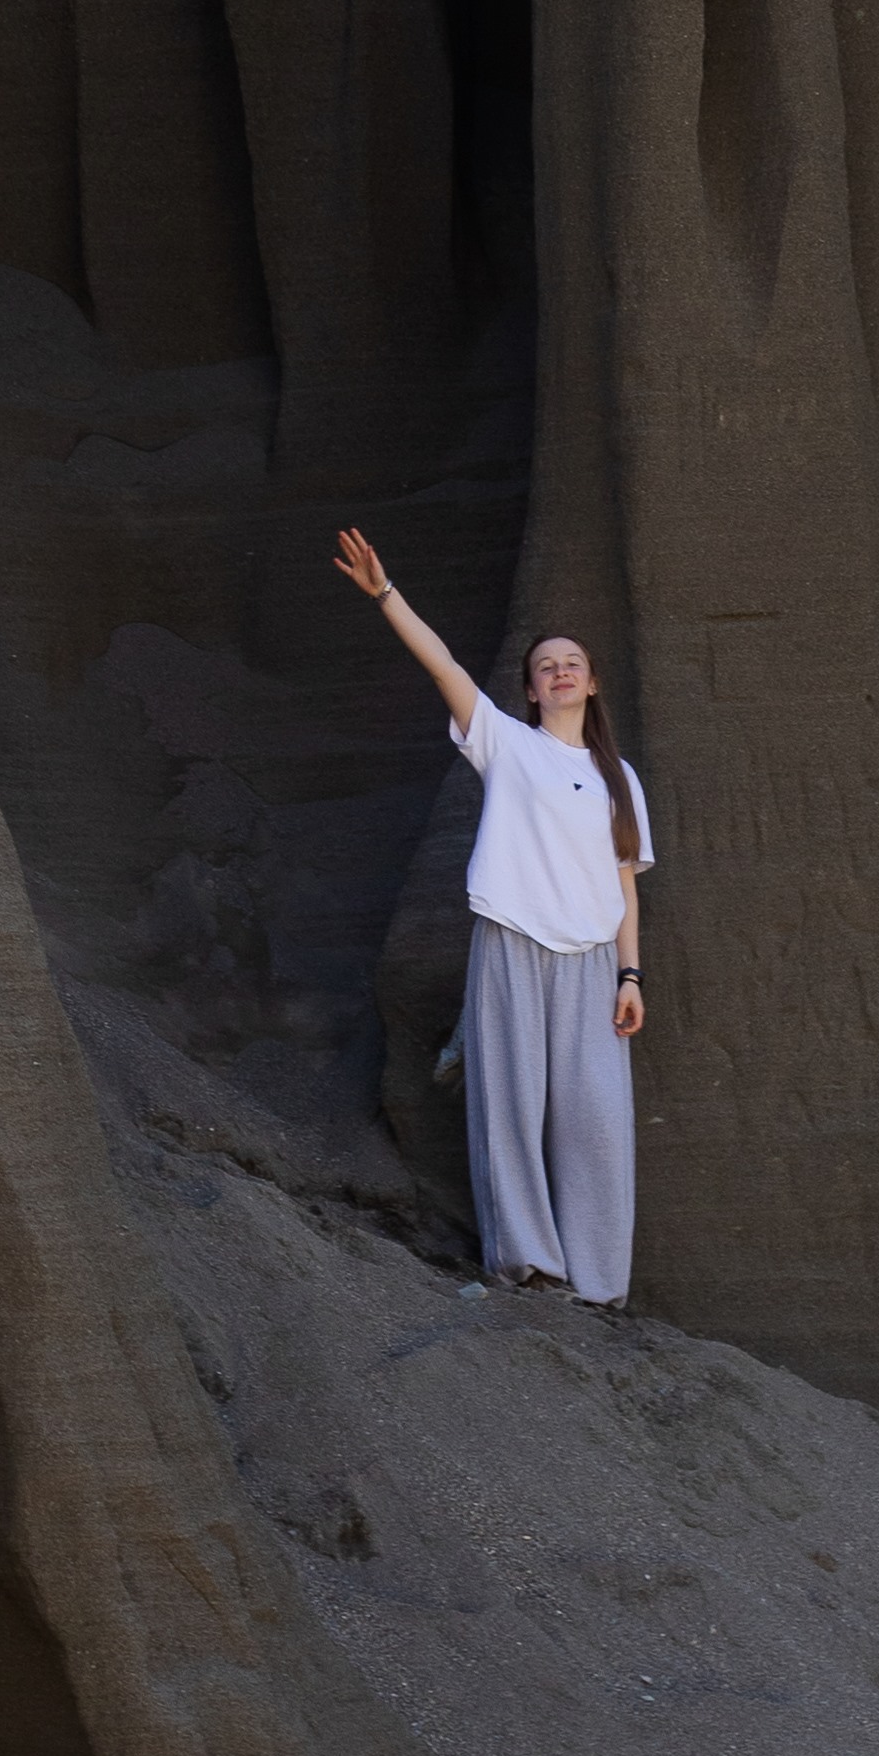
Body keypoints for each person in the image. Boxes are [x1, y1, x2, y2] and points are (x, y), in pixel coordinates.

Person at [333, 529, 651, 1306]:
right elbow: (441, 664)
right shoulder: (506, 745)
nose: (560, 670)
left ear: (592, 682)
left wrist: (630, 973)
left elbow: (624, 886)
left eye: (571, 661)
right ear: (532, 689)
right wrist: (385, 593)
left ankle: (599, 1285)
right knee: (510, 1104)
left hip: (588, 960)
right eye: (545, 666)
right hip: (511, 940)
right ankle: (529, 1265)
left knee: (595, 1124)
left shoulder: (618, 779)